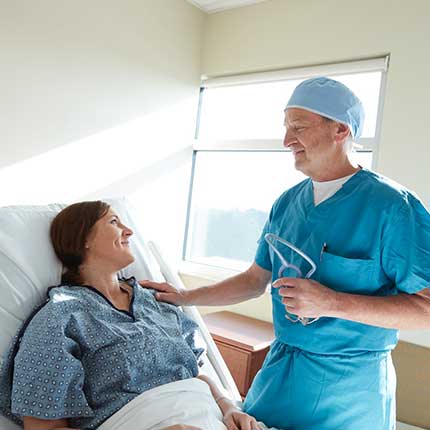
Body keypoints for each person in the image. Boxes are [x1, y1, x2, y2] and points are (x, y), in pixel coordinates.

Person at [140, 77, 430, 430]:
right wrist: (185, 297)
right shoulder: (288, 203)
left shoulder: (392, 208)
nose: (287, 140)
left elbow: (426, 309)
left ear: (340, 129)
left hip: (349, 388)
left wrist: (332, 303)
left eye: (299, 127)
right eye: (286, 127)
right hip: (279, 375)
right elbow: (254, 280)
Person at [0, 201, 260, 430]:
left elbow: (191, 374)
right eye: (114, 222)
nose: (129, 230)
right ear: (83, 238)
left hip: (211, 416)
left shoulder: (155, 301)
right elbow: (43, 428)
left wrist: (229, 408)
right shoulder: (59, 316)